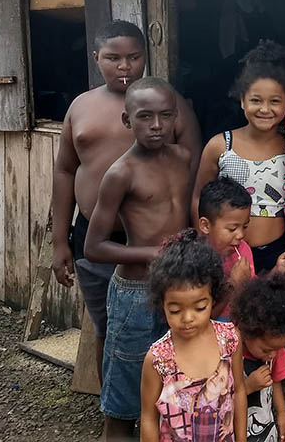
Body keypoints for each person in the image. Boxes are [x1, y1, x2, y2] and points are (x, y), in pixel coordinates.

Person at [49, 20, 201, 384]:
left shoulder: (172, 106)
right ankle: (115, 406)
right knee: (109, 328)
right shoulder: (81, 106)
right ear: (96, 58)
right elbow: (65, 171)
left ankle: (169, 412)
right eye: (113, 58)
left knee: (174, 329)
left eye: (134, 57)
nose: (124, 66)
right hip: (97, 238)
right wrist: (59, 241)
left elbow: (192, 179)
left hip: (160, 244)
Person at [84, 77, 194, 440]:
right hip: (135, 293)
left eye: (165, 115)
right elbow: (94, 247)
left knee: (172, 386)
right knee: (124, 395)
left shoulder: (182, 158)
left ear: (176, 117)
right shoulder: (121, 173)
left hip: (177, 291)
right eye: (145, 116)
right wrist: (156, 253)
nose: (157, 125)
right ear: (127, 121)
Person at [194, 40, 285, 273]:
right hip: (228, 254)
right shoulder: (220, 146)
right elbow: (198, 196)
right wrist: (205, 243)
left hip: (278, 253)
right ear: (241, 100)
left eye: (275, 101)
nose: (265, 109)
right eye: (256, 100)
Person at [140, 229, 247, 442]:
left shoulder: (229, 339)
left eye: (199, 307)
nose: (187, 318)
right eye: (176, 310)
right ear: (162, 305)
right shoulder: (158, 359)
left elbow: (239, 391)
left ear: (213, 297)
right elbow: (148, 418)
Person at [196, 177, 285, 320]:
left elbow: (253, 290)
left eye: (244, 226)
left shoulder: (242, 249)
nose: (240, 235)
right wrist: (233, 285)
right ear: (206, 226)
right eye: (232, 229)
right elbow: (203, 318)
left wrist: (277, 272)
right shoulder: (195, 261)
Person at [231, 273, 285, 442]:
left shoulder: (274, 348)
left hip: (265, 430)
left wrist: (281, 413)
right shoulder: (228, 352)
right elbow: (219, 400)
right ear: (247, 331)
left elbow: (276, 380)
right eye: (267, 349)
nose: (273, 354)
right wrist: (248, 386)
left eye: (279, 349)